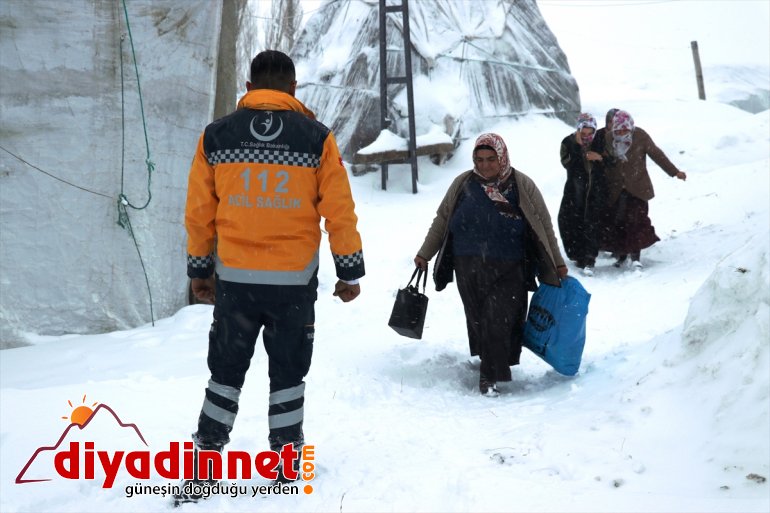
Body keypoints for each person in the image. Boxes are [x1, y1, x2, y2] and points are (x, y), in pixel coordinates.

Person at [178, 50, 365, 503]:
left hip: (236, 284)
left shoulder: (215, 137)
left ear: (248, 86)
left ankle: (203, 467)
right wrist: (349, 271)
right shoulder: (317, 138)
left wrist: (201, 271)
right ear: (294, 90)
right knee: (287, 374)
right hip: (292, 285)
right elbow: (338, 212)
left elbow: (199, 214)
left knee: (224, 373)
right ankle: (285, 466)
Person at [414, 133, 567, 397]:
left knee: (499, 318)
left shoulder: (521, 185)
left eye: (490, 159)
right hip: (468, 264)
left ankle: (490, 375)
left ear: (502, 157)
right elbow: (442, 219)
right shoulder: (463, 184)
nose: (484, 165)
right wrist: (424, 253)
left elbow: (543, 225)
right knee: (479, 319)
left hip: (511, 267)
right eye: (479, 159)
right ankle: (492, 361)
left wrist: (558, 263)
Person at [593, 109, 687, 268]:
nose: (621, 132)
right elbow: (603, 161)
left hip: (637, 187)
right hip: (615, 189)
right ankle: (622, 256)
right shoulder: (609, 138)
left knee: (635, 222)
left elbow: (657, 154)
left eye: (625, 129)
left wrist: (674, 172)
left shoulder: (640, 136)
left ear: (630, 127)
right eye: (618, 129)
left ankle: (635, 257)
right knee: (618, 222)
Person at [557, 113, 605, 276]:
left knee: (590, 221)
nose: (586, 137)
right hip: (574, 190)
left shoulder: (599, 141)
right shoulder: (568, 142)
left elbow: (610, 162)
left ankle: (589, 257)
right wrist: (579, 149)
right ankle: (577, 254)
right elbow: (568, 164)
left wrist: (599, 157)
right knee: (568, 220)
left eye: (589, 133)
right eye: (583, 133)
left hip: (594, 190)